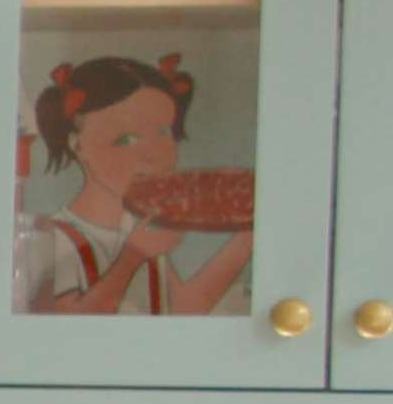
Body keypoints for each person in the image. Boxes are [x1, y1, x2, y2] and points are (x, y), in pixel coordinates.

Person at [15, 54, 253, 317]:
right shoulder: (55, 236)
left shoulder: (137, 228)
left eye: (164, 133)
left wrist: (245, 241)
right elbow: (62, 330)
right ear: (76, 143)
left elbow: (183, 309)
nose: (154, 154)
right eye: (126, 139)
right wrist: (132, 257)